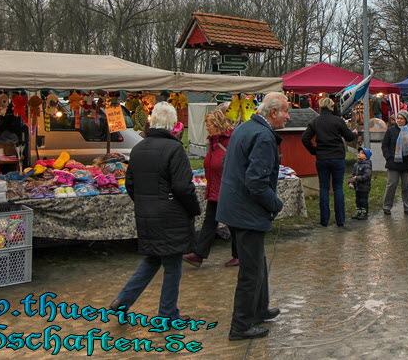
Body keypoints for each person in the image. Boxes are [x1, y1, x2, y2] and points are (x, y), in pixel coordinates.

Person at [110, 102, 200, 319]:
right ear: (173, 123)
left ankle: (123, 301)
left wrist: (144, 203)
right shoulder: (175, 149)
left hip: (147, 215)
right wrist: (193, 208)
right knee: (172, 265)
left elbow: (130, 184)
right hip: (171, 215)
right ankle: (167, 314)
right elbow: (182, 186)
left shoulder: (138, 148)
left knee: (152, 259)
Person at [217, 92, 287, 340]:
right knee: (251, 270)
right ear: (273, 113)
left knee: (257, 263)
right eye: (286, 112)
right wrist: (275, 203)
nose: (288, 117)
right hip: (246, 210)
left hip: (236, 207)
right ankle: (241, 326)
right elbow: (256, 182)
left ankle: (259, 309)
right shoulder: (264, 136)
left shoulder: (246, 127)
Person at [183, 109, 239, 268]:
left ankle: (238, 255)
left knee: (233, 224)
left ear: (218, 124)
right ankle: (198, 255)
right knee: (210, 222)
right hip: (216, 189)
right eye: (206, 124)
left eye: (210, 125)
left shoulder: (230, 142)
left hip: (228, 190)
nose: (207, 128)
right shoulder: (213, 143)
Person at [302, 97, 357, 227]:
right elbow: (349, 137)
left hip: (322, 158)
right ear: (332, 107)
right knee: (338, 188)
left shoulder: (315, 121)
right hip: (337, 157)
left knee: (324, 188)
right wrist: (354, 133)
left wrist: (314, 151)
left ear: (320, 107)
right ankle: (340, 220)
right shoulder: (338, 121)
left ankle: (324, 220)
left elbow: (305, 139)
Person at [381, 109, 408, 216]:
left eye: (402, 119)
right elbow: (385, 145)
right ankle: (387, 206)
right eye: (398, 118)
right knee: (392, 184)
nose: (399, 120)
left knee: (406, 186)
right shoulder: (391, 130)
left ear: (406, 120)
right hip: (393, 162)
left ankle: (407, 206)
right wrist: (388, 157)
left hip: (407, 162)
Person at [349, 147, 373, 220]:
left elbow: (367, 176)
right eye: (359, 152)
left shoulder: (367, 165)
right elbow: (352, 174)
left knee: (363, 200)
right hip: (357, 187)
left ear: (366, 157)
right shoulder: (356, 165)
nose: (359, 154)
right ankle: (359, 212)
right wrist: (351, 182)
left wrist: (357, 178)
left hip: (364, 187)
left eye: (362, 153)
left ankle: (364, 213)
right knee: (358, 200)